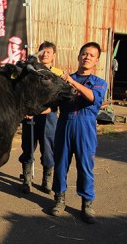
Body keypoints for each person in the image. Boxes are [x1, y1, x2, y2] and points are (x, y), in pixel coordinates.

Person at [50, 42, 107, 224]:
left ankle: (87, 204)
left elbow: (92, 98)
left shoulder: (98, 83)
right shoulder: (63, 80)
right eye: (84, 54)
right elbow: (53, 102)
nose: (87, 57)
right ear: (79, 56)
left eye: (91, 55)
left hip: (86, 128)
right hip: (64, 125)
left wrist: (72, 82)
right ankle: (59, 200)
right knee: (60, 165)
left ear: (96, 60)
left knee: (85, 167)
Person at [19, 41, 63, 194]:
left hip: (48, 118)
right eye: (42, 52)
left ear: (54, 55)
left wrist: (41, 110)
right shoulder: (30, 71)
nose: (45, 55)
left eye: (48, 52)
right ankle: (26, 180)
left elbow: (59, 98)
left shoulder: (58, 73)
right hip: (30, 117)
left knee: (48, 149)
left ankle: (47, 180)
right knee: (28, 148)